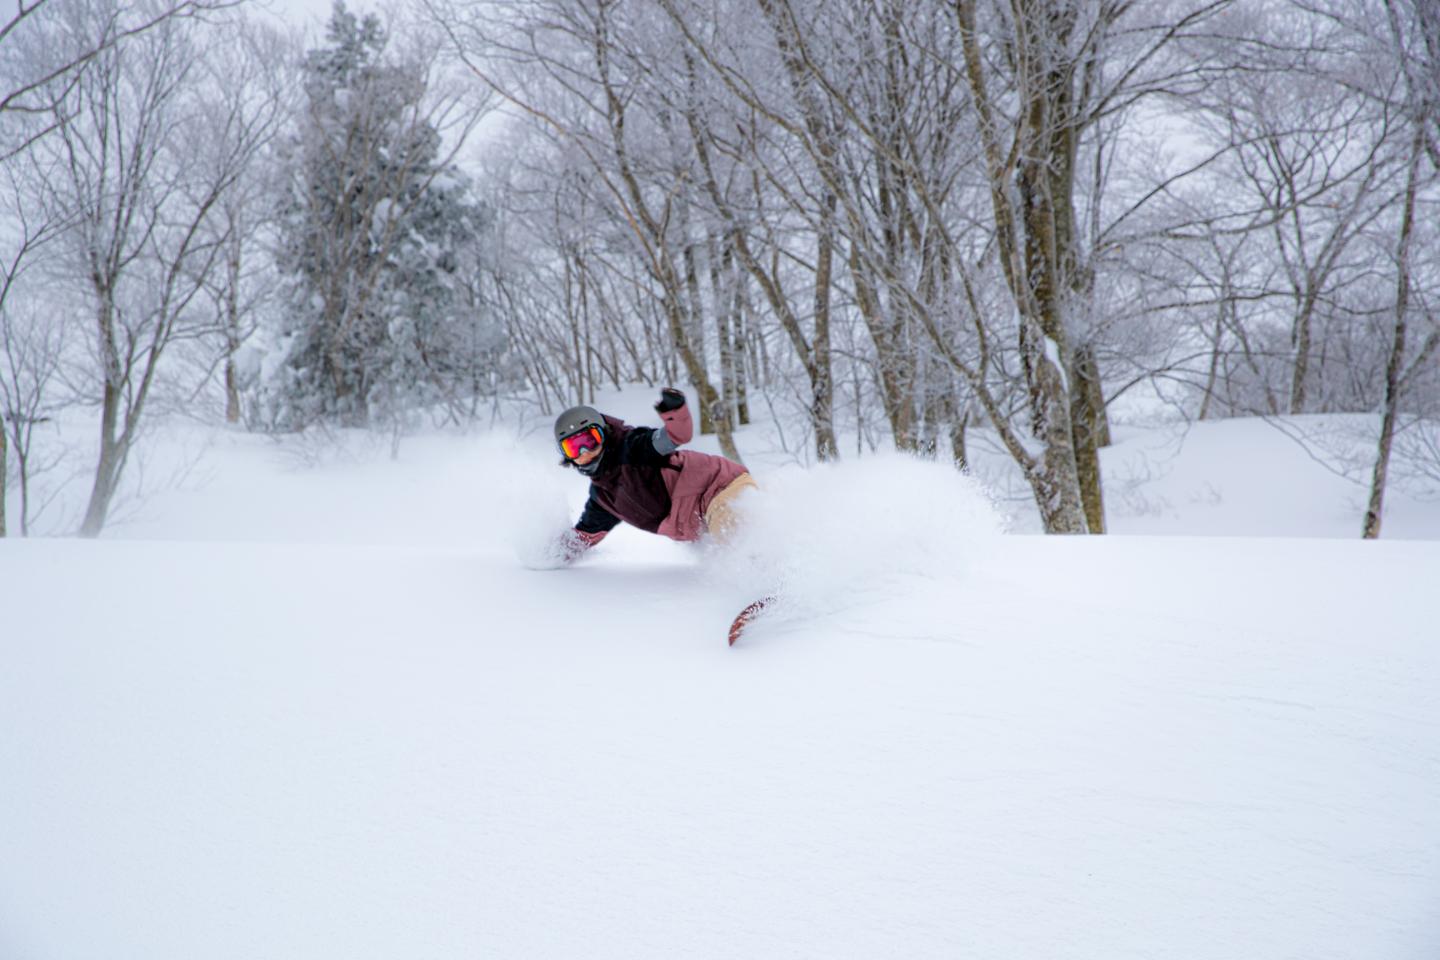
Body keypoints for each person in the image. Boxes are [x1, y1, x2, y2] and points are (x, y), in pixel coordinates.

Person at [552, 388, 756, 563]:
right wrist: (548, 555)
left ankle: (767, 580)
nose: (584, 452)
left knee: (733, 537)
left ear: (603, 434)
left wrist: (674, 410)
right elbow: (584, 538)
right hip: (706, 517)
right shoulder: (603, 497)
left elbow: (676, 436)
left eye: (589, 440)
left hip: (723, 487)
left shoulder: (634, 448)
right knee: (723, 548)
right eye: (573, 448)